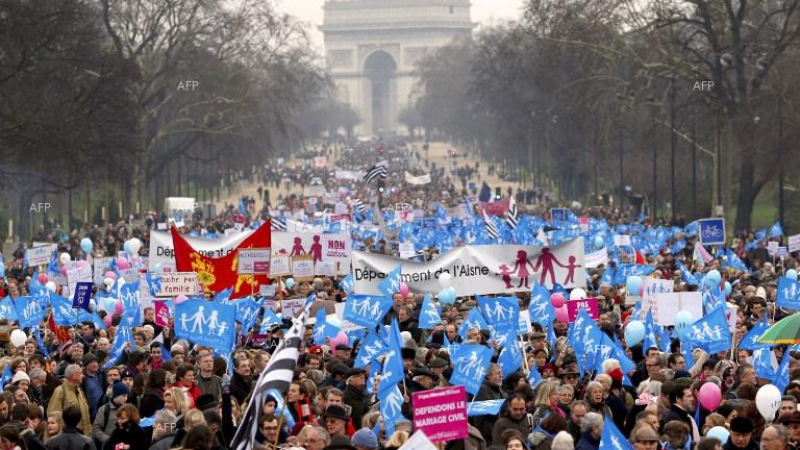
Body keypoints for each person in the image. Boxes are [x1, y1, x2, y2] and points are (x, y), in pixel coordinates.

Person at [47, 365, 92, 436]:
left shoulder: (79, 391)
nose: (83, 376)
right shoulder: (60, 391)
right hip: (69, 438)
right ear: (74, 376)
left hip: (84, 437)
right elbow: (53, 415)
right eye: (80, 373)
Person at [93, 382, 128, 448]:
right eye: (123, 396)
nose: (126, 398)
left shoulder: (127, 409)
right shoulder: (104, 409)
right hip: (109, 446)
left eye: (127, 396)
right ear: (116, 395)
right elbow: (96, 428)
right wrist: (108, 440)